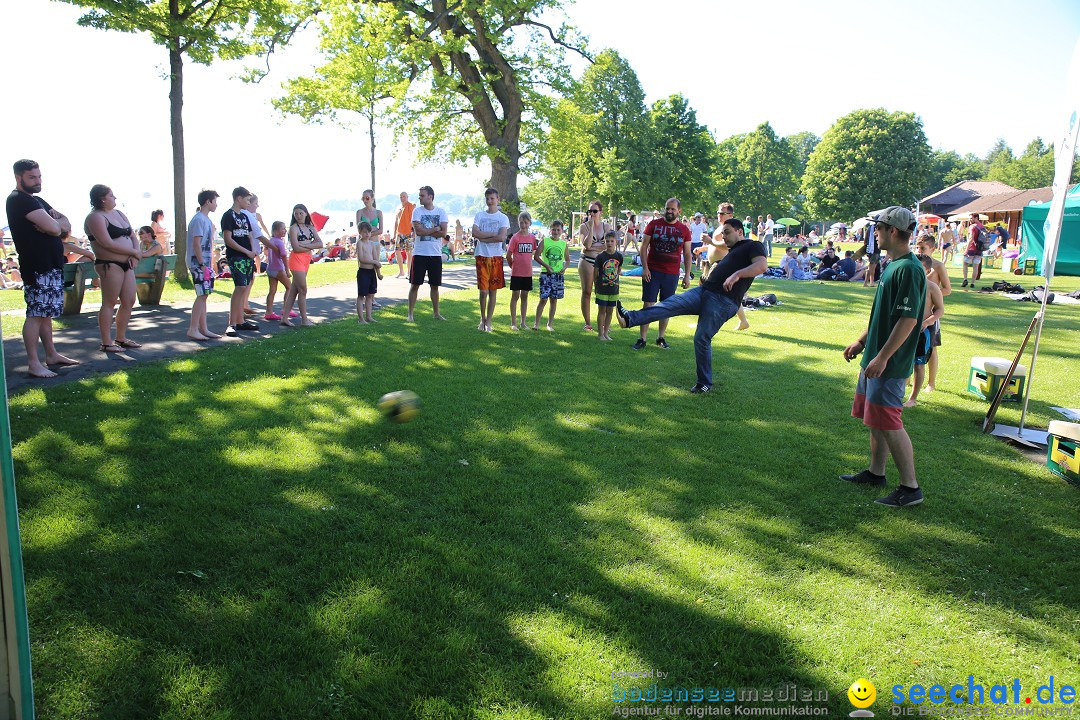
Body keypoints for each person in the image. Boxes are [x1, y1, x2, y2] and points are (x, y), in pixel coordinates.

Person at [840, 206, 926, 508]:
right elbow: (883, 316)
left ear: (892, 231)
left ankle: (910, 487)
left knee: (889, 420)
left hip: (888, 363)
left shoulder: (909, 269)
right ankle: (876, 473)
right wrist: (862, 342)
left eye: (878, 228)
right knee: (874, 418)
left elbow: (908, 320)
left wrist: (883, 358)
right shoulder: (892, 265)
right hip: (875, 358)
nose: (874, 233)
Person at [617, 218, 766, 392]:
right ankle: (630, 318)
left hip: (723, 301)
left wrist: (737, 275)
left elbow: (761, 266)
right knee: (669, 305)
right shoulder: (733, 251)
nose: (723, 236)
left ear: (740, 232)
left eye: (727, 232)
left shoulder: (753, 246)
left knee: (701, 338)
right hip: (704, 292)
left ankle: (704, 383)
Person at [6, 159, 81, 377]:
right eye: (32, 177)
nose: (37, 181)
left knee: (46, 314)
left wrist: (57, 227)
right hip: (37, 266)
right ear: (18, 177)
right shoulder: (19, 200)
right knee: (36, 314)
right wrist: (54, 226)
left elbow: (65, 224)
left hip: (51, 264)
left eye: (39, 177)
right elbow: (53, 225)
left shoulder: (36, 200)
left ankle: (51, 354)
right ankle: (33, 363)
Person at [83, 184, 143, 352]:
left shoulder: (119, 214)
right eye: (111, 195)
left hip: (127, 264)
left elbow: (132, 235)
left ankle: (121, 337)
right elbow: (106, 243)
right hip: (109, 264)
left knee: (129, 300)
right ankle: (106, 342)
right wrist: (132, 251)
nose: (115, 198)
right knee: (109, 302)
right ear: (102, 198)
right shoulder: (95, 217)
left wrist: (135, 254)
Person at [636, 197, 692, 350]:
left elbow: (687, 254)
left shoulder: (684, 230)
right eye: (667, 208)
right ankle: (642, 338)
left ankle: (661, 337)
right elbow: (644, 247)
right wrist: (645, 268)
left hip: (672, 274)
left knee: (666, 306)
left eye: (673, 209)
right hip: (652, 271)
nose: (669, 211)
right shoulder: (654, 224)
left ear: (679, 211)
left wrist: (687, 275)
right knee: (648, 304)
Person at [904, 254, 945, 408]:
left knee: (919, 364)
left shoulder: (932, 287)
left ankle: (913, 398)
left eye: (919, 268)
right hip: (905, 328)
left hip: (923, 331)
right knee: (902, 359)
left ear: (927, 270)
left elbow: (940, 310)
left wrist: (928, 322)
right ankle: (897, 391)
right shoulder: (905, 285)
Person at [219, 187, 259, 336]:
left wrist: (253, 251)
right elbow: (228, 239)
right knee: (240, 286)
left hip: (248, 256)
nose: (249, 203)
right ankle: (232, 323)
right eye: (247, 199)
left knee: (245, 286)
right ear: (239, 198)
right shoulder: (228, 216)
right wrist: (245, 251)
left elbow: (249, 235)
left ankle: (240, 320)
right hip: (236, 256)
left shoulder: (244, 217)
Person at [914, 235, 952, 392]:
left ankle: (931, 383)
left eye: (923, 248)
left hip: (931, 314)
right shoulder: (915, 264)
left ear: (933, 249)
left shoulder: (938, 266)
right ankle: (909, 379)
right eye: (917, 247)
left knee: (932, 348)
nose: (919, 250)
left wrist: (931, 294)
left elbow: (947, 289)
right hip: (915, 313)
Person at [471, 187, 510, 332]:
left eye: (492, 198)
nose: (489, 201)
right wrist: (491, 235)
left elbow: (501, 237)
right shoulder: (480, 215)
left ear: (497, 199)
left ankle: (489, 321)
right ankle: (482, 319)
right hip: (481, 255)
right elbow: (475, 233)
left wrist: (483, 236)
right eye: (487, 199)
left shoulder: (502, 218)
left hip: (496, 257)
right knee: (483, 291)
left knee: (493, 290)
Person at [186, 189, 222, 341]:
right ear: (208, 201)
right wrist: (201, 263)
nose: (216, 204)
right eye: (214, 201)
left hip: (204, 263)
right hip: (198, 263)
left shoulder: (206, 220)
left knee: (204, 294)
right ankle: (193, 328)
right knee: (202, 294)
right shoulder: (199, 219)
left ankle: (203, 328)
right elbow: (196, 244)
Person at [408, 185, 448, 322]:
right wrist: (435, 228)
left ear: (430, 197)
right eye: (419, 195)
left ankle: (436, 313)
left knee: (435, 286)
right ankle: (410, 315)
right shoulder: (417, 212)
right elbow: (418, 231)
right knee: (415, 285)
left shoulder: (441, 212)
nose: (419, 197)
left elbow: (443, 233)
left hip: (435, 254)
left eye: (422, 195)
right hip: (419, 253)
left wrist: (429, 229)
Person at [280, 204, 323, 327]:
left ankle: (284, 318)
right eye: (296, 214)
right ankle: (304, 320)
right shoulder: (293, 228)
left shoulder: (310, 227)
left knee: (294, 290)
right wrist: (310, 245)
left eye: (300, 213)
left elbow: (320, 243)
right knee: (303, 289)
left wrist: (305, 245)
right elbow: (296, 248)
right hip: (296, 260)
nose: (298, 216)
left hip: (306, 260)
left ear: (305, 213)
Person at [577, 200, 611, 332]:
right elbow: (586, 246)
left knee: (601, 292)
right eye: (590, 211)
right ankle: (588, 323)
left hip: (602, 263)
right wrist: (591, 227)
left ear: (600, 212)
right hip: (586, 261)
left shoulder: (606, 227)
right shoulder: (583, 227)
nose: (592, 213)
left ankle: (602, 323)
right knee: (587, 291)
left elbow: (609, 246)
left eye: (595, 211)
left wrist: (594, 248)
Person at [533, 218, 569, 332]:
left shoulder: (563, 244)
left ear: (562, 231)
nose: (556, 232)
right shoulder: (545, 241)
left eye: (558, 230)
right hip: (545, 274)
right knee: (543, 299)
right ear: (550, 230)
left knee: (554, 299)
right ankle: (536, 323)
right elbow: (536, 256)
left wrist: (564, 268)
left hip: (558, 276)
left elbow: (567, 260)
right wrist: (546, 266)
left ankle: (550, 324)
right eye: (554, 230)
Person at [505, 211, 536, 330]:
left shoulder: (532, 238)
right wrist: (512, 266)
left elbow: (534, 251)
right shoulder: (515, 237)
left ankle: (523, 322)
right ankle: (513, 322)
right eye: (521, 223)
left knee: (525, 296)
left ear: (529, 223)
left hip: (527, 272)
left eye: (525, 222)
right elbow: (508, 255)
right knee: (515, 295)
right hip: (517, 272)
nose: (523, 225)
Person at [242, 194, 270, 316]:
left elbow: (262, 228)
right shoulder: (246, 216)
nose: (257, 205)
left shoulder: (254, 216)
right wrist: (272, 244)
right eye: (255, 203)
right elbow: (257, 234)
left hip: (253, 250)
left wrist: (269, 236)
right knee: (245, 281)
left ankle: (244, 304)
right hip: (247, 251)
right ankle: (243, 306)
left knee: (250, 279)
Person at [593, 231, 622, 341]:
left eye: (612, 241)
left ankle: (606, 333)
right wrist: (596, 285)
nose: (609, 243)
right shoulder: (600, 257)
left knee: (610, 311)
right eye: (607, 241)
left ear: (616, 242)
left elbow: (618, 270)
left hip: (614, 289)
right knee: (602, 311)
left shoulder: (619, 256)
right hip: (602, 288)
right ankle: (600, 334)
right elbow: (595, 273)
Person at [263, 220, 293, 321]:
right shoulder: (279, 242)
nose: (285, 231)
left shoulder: (271, 240)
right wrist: (287, 271)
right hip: (279, 269)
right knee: (290, 288)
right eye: (283, 229)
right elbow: (284, 256)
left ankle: (269, 312)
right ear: (276, 231)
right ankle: (286, 309)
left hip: (270, 268)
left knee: (272, 291)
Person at [354, 220, 382, 324]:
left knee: (370, 296)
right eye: (365, 232)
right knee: (361, 295)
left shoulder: (372, 244)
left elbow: (376, 259)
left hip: (371, 272)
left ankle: (369, 316)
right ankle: (361, 319)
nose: (367, 234)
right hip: (363, 272)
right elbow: (361, 258)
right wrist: (375, 261)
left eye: (369, 232)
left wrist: (378, 273)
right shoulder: (359, 243)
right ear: (360, 232)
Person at [392, 191, 415, 278]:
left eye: (404, 196)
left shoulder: (411, 206)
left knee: (409, 252)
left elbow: (414, 218)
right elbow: (396, 222)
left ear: (407, 197)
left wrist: (414, 232)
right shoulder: (398, 209)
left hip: (408, 232)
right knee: (397, 251)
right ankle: (401, 271)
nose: (402, 198)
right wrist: (394, 234)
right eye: (401, 197)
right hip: (399, 233)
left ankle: (409, 272)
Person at [961, 214, 986, 287]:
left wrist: (966, 250)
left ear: (976, 218)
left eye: (971, 218)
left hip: (972, 248)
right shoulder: (982, 226)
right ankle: (973, 283)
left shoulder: (972, 227)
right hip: (980, 249)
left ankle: (965, 279)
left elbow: (971, 239)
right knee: (976, 266)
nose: (970, 220)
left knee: (965, 263)